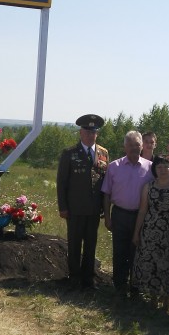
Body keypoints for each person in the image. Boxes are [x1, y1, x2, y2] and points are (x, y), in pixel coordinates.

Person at [56, 114, 109, 288]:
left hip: (94, 209)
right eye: (87, 131)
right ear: (81, 132)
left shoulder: (103, 153)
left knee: (91, 243)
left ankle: (88, 276)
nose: (90, 135)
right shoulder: (69, 153)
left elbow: (104, 180)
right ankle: (74, 276)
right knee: (74, 243)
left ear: (97, 134)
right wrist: (63, 207)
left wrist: (104, 207)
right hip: (75, 208)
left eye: (93, 132)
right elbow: (62, 182)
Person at [102, 131, 154, 297]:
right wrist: (108, 217)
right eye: (130, 145)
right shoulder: (114, 167)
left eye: (137, 145)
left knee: (137, 252)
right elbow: (107, 194)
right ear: (125, 147)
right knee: (119, 251)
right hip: (120, 215)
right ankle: (119, 286)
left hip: (141, 216)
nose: (134, 148)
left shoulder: (150, 167)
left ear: (142, 146)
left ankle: (136, 287)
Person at [132, 156, 169, 310]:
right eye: (159, 167)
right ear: (154, 170)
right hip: (150, 231)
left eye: (166, 167)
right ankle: (153, 297)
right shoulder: (149, 187)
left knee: (167, 266)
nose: (162, 170)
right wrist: (136, 233)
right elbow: (142, 211)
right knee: (149, 264)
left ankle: (167, 298)